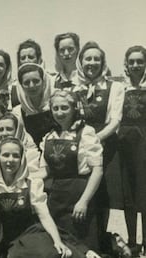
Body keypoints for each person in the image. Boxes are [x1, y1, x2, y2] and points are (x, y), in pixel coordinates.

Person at [0, 137, 75, 258]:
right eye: (5, 155)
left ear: (22, 159)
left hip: (33, 233)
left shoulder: (31, 184)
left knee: (46, 254)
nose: (10, 160)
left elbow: (44, 215)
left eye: (15, 156)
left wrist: (57, 241)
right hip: (10, 238)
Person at [73, 41, 124, 252]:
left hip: (108, 147)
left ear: (103, 63)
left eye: (96, 59)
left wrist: (95, 139)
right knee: (87, 191)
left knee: (111, 193)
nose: (92, 63)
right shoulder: (74, 88)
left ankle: (116, 240)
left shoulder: (115, 87)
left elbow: (115, 121)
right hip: (82, 149)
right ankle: (89, 241)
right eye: (88, 59)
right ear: (81, 62)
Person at [39, 90, 103, 252]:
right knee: (59, 245)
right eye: (56, 108)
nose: (59, 113)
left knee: (82, 246)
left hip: (78, 193)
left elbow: (97, 170)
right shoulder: (48, 136)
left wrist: (84, 201)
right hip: (56, 196)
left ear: (74, 109)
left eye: (64, 108)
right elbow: (44, 171)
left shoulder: (86, 132)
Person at [118, 45, 146, 256]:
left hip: (144, 143)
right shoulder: (120, 87)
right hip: (124, 144)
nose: (136, 65)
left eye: (140, 61)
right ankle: (131, 240)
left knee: (144, 193)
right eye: (132, 62)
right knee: (127, 193)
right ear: (126, 65)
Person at [0, 113, 40, 182]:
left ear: (18, 130)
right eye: (1, 130)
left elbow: (31, 178)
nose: (4, 133)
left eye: (9, 129)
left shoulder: (31, 154)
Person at [12, 63, 54, 147]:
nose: (32, 86)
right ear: (21, 86)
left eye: (36, 81)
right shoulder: (18, 113)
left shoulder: (55, 106)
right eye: (26, 82)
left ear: (43, 82)